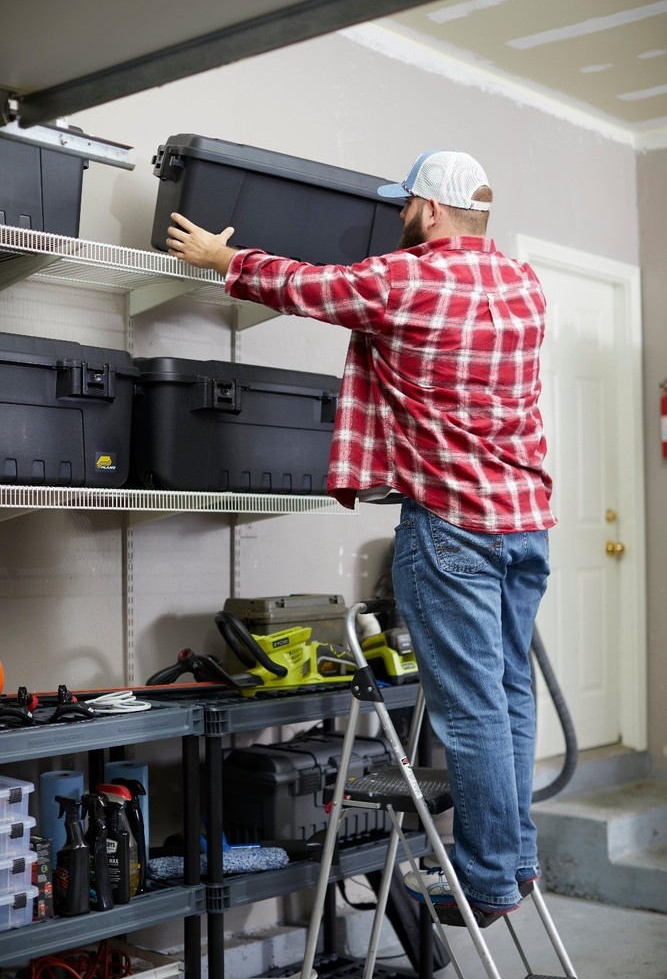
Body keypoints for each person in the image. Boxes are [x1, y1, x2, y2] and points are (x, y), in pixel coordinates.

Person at [166, 149, 555, 917]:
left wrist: (222, 258)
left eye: (406, 206)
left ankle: (481, 883)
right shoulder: (525, 284)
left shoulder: (407, 278)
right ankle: (515, 864)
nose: (400, 218)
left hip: (451, 525)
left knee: (469, 711)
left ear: (432, 210)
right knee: (509, 696)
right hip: (525, 524)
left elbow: (312, 288)